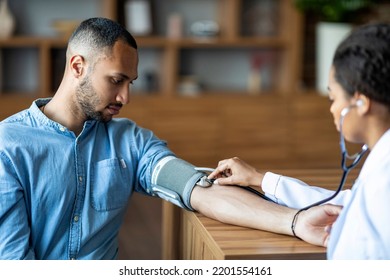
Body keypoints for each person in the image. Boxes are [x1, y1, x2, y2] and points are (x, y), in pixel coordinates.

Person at [0, 17, 340, 260]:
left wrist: (294, 221)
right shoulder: (9, 146)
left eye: (130, 83)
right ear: (77, 66)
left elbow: (196, 188)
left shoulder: (130, 142)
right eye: (116, 80)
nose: (125, 97)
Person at [208, 22, 390, 260]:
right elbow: (344, 205)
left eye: (333, 98)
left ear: (361, 103)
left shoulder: (383, 181)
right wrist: (259, 179)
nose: (332, 109)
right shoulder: (381, 166)